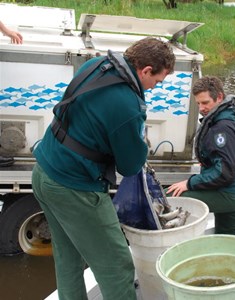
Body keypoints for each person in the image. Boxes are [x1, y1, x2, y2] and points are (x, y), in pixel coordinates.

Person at [32, 37, 175, 300]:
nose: (155, 87)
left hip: (43, 172)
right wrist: (140, 142)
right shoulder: (128, 106)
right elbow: (130, 166)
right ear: (145, 70)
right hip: (75, 189)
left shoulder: (98, 65)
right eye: (157, 81)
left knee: (68, 258)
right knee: (118, 267)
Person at [166, 76, 235, 235]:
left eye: (205, 103)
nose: (201, 108)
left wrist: (190, 183)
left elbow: (225, 171)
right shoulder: (230, 113)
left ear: (219, 97)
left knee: (169, 197)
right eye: (198, 103)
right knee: (226, 237)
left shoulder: (222, 127)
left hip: (231, 194)